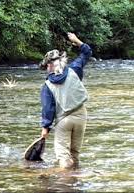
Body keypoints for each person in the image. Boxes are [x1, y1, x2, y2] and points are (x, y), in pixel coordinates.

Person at [39, 32, 92, 169]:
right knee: (74, 153)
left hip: (64, 120)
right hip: (81, 116)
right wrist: (77, 41)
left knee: (63, 155)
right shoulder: (74, 69)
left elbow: (48, 109)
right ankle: (75, 180)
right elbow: (87, 53)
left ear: (49, 66)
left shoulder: (47, 86)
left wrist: (45, 128)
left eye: (46, 67)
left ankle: (65, 184)